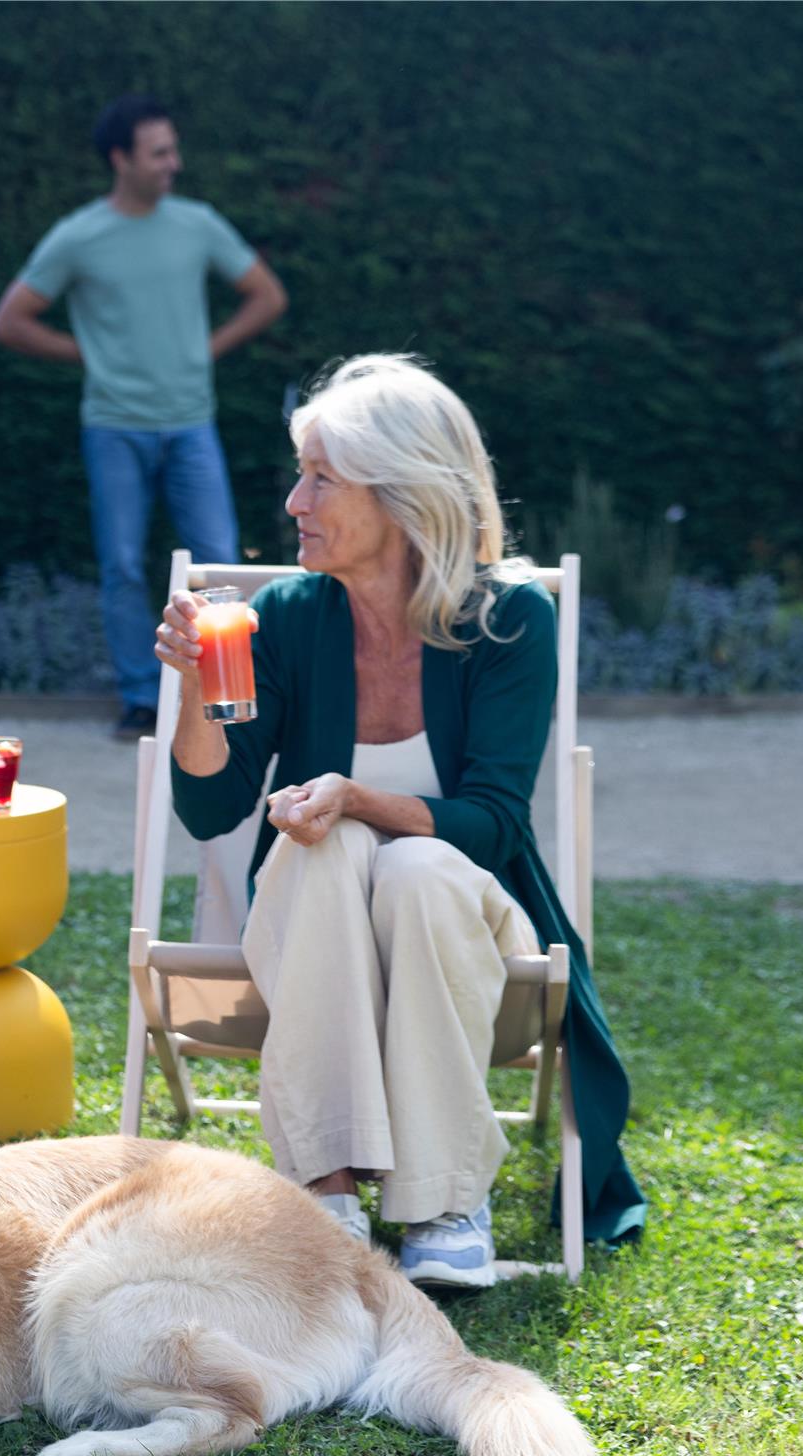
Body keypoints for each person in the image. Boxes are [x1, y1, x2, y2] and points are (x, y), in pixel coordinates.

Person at [158, 354, 645, 1286]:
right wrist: (189, 689)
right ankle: (326, 1194)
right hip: (311, 936)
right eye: (298, 474)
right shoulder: (289, 618)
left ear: (403, 493)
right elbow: (214, 806)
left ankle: (444, 1198)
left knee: (415, 864)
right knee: (329, 848)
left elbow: (492, 826)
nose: (295, 501)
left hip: (468, 950)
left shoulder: (507, 621)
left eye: (321, 479)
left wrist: (355, 793)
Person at [0, 92, 288, 739]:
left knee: (218, 562)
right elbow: (9, 320)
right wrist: (90, 356)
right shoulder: (80, 236)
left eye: (173, 150)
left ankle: (229, 695)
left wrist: (205, 349)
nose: (172, 164)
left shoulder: (198, 223)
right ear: (120, 158)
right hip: (113, 424)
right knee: (122, 565)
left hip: (191, 421)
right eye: (159, 152)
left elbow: (266, 296)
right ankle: (139, 701)